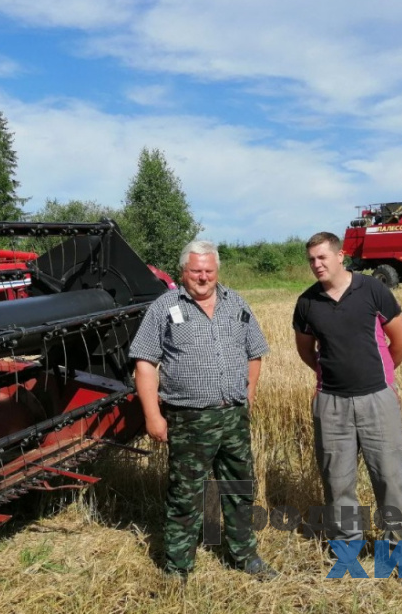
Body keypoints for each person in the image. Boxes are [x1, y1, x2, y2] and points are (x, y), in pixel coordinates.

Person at [129, 240, 277, 581]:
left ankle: (244, 557)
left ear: (217, 271)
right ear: (184, 272)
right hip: (189, 418)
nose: (203, 277)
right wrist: (153, 415)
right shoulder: (164, 307)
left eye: (209, 270)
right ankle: (178, 566)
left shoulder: (236, 303)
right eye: (196, 271)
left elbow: (254, 352)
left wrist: (248, 394)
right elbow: (145, 363)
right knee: (186, 494)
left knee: (239, 488)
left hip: (233, 416)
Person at [293, 232, 402, 558]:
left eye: (322, 257)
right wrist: (328, 376)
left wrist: (385, 378)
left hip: (378, 399)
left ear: (339, 256)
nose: (317, 265)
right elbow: (306, 351)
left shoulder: (373, 290)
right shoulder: (307, 303)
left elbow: (401, 341)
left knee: (391, 479)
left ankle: (397, 552)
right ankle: (348, 549)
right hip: (331, 404)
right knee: (337, 481)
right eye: (312, 260)